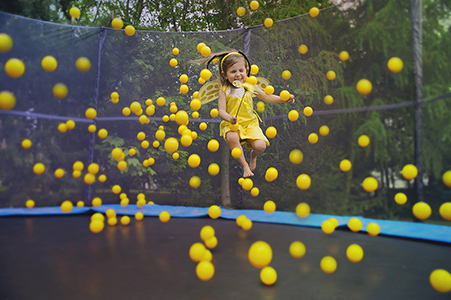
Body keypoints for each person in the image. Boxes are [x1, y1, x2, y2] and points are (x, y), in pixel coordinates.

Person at [204, 50, 295, 178]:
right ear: (225, 75)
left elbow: (267, 97)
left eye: (241, 70)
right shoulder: (224, 90)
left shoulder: (250, 85)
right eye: (233, 71)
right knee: (232, 138)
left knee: (261, 146)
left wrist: (283, 98)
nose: (238, 75)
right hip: (232, 124)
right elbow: (221, 111)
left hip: (250, 124)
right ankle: (244, 166)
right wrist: (229, 118)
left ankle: (253, 155)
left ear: (246, 71)